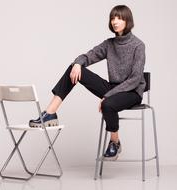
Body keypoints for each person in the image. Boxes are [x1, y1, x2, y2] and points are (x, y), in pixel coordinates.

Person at [29, 5, 146, 161]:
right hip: (113, 88)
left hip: (132, 92)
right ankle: (51, 113)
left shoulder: (138, 45)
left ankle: (115, 142)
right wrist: (78, 63)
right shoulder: (109, 44)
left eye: (120, 18)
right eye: (113, 18)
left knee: (108, 104)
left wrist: (108, 96)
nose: (115, 21)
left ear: (127, 20)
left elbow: (135, 78)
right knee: (74, 69)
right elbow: (88, 56)